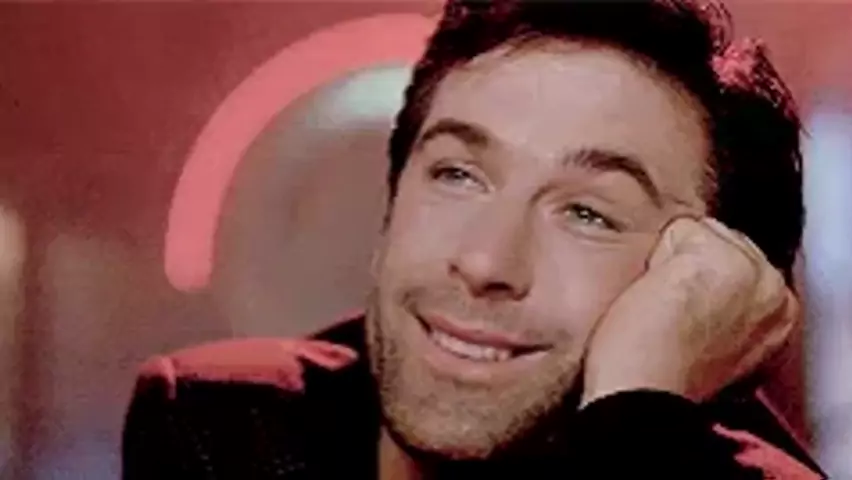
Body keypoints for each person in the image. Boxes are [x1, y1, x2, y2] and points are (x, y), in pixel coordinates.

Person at [122, 0, 827, 478]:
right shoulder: (226, 430)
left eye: (588, 214)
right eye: (457, 174)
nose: (485, 261)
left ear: (714, 290)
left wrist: (637, 416)